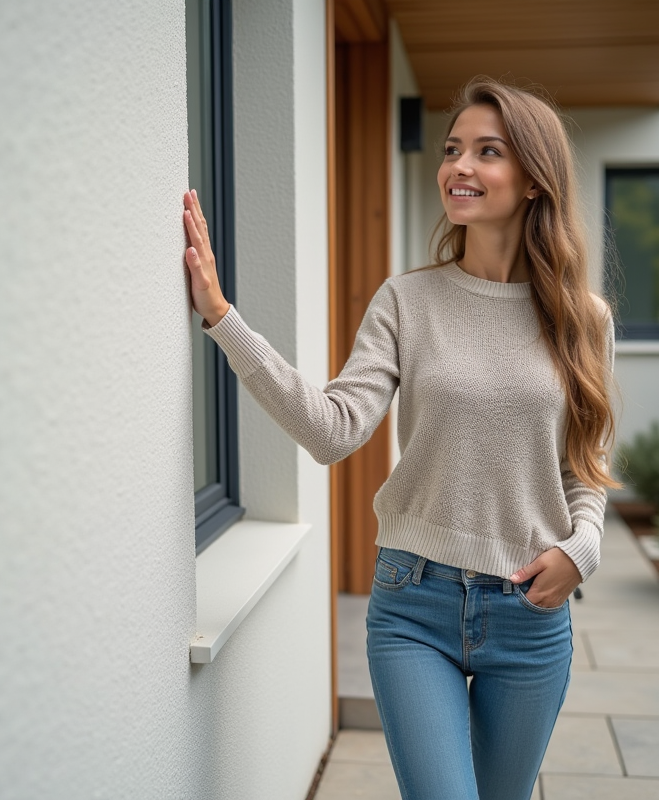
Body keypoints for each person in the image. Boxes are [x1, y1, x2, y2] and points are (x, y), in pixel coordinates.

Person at [180, 76, 617, 800]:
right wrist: (224, 317)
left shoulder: (583, 319)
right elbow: (331, 430)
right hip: (414, 602)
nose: (459, 167)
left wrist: (583, 549)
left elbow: (584, 462)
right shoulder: (407, 301)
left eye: (487, 152)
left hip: (531, 611)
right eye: (453, 150)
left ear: (535, 181)